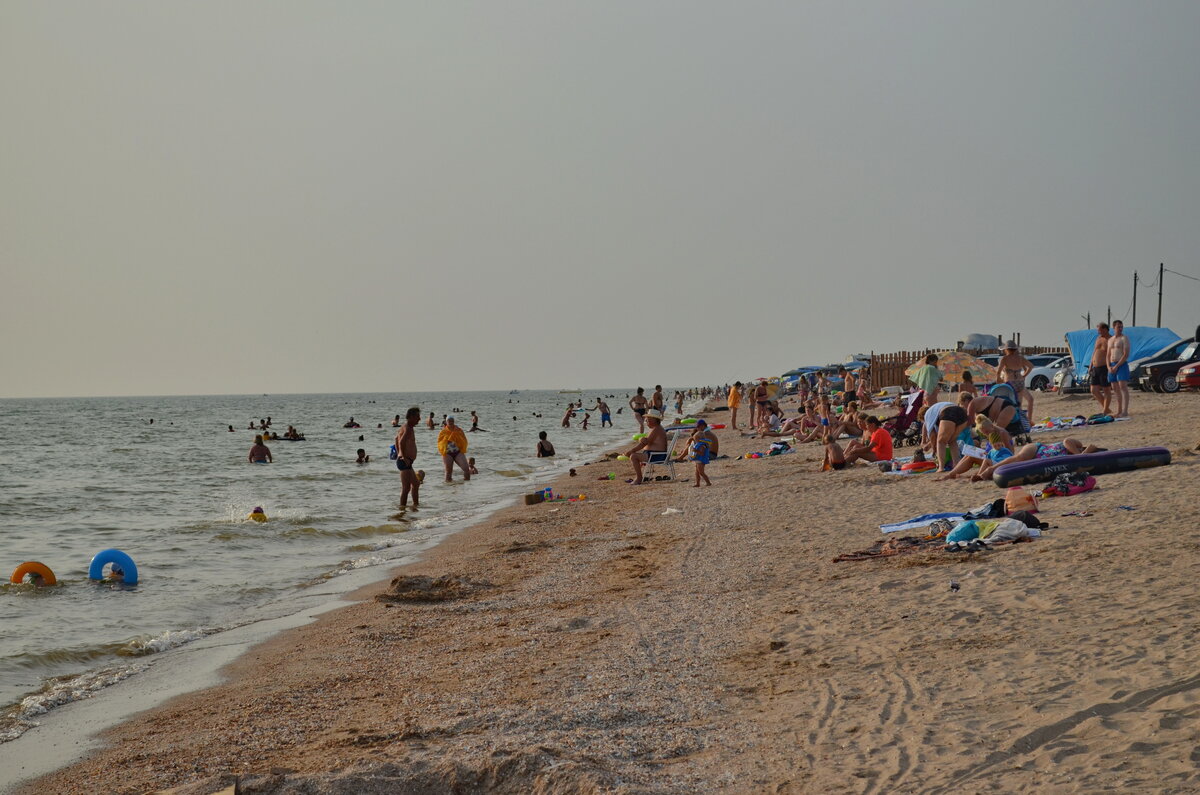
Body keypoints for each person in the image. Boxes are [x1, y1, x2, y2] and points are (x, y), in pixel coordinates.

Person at [922, 392, 972, 470]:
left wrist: (934, 450)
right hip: (962, 414)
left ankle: (941, 467)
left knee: (941, 442)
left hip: (949, 412)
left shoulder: (927, 415)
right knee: (952, 441)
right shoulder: (935, 411)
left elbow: (932, 436)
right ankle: (956, 465)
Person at [822, 415, 892, 470]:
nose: (866, 427)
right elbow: (868, 447)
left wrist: (855, 451)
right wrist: (854, 450)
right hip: (878, 453)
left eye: (867, 425)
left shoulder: (878, 433)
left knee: (857, 452)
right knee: (855, 448)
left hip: (882, 456)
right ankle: (843, 460)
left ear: (873, 424)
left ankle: (842, 463)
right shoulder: (876, 432)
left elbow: (868, 448)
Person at [623, 408, 669, 484]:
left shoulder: (656, 429)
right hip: (653, 454)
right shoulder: (655, 428)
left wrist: (632, 450)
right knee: (636, 455)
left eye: (647, 420)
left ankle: (639, 478)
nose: (646, 421)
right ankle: (639, 476)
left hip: (657, 456)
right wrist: (641, 439)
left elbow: (645, 443)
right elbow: (645, 441)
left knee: (633, 456)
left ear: (653, 420)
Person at [997, 341, 1034, 416]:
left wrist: (998, 380)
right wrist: (1024, 375)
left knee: (1010, 404)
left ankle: (1013, 421)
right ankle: (1026, 421)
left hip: (1010, 383)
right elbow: (1031, 366)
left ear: (1006, 349)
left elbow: (998, 372)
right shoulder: (1020, 358)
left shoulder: (1004, 358)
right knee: (1019, 404)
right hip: (1020, 382)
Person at [395, 406, 421, 508]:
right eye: (417, 417)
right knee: (406, 488)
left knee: (416, 484)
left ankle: (415, 506)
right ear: (411, 417)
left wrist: (399, 453)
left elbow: (396, 439)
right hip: (404, 461)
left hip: (407, 461)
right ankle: (402, 510)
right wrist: (402, 456)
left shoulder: (407, 427)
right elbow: (401, 441)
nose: (419, 419)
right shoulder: (407, 428)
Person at [1107, 319, 1131, 418]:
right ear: (1114, 328)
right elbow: (1108, 354)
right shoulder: (1110, 340)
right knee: (1115, 388)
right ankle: (1119, 410)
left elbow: (1126, 354)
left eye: (1121, 327)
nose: (1120, 329)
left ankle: (1125, 411)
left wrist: (1117, 366)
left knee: (1122, 386)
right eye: (1118, 327)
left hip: (1121, 364)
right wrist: (1109, 366)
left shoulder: (1124, 338)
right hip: (1112, 364)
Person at [437, 416, 471, 482]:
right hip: (447, 453)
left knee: (466, 469)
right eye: (449, 421)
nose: (451, 422)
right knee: (448, 472)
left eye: (452, 420)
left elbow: (464, 440)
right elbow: (440, 442)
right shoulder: (443, 432)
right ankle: (449, 488)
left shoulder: (459, 430)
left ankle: (467, 486)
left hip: (458, 452)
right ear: (446, 422)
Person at [1090, 322, 1112, 415]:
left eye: (1099, 329)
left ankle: (1105, 409)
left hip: (1104, 367)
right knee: (1093, 390)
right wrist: (1091, 364)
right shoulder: (1098, 339)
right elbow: (1094, 352)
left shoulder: (1110, 339)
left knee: (1106, 389)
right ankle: (1106, 408)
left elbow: (1112, 354)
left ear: (1105, 329)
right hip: (1095, 367)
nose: (1098, 332)